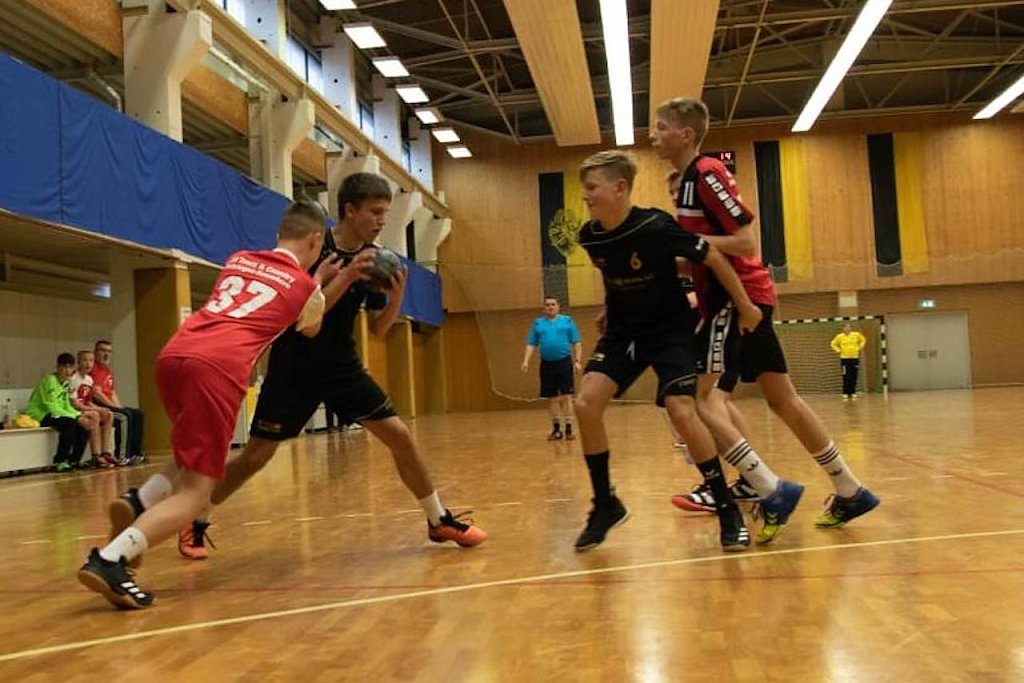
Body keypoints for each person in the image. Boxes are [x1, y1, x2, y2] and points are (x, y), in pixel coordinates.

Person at [166, 172, 485, 561]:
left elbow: (378, 330)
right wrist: (347, 275)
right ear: (349, 210)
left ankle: (438, 520)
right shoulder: (315, 246)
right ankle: (196, 518)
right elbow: (303, 316)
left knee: (399, 435)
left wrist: (397, 297)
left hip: (340, 366)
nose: (381, 221)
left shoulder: (374, 259)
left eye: (385, 213)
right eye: (375, 212)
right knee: (256, 456)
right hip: (294, 365)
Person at [76, 200, 342, 609]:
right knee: (196, 494)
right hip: (217, 369)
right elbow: (310, 328)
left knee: (191, 455)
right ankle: (110, 559)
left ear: (279, 235)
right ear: (314, 240)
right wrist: (319, 283)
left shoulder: (238, 259)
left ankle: (139, 501)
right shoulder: (305, 285)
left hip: (174, 355)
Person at [651, 97, 879, 532]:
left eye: (660, 127)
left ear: (686, 134)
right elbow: (699, 253)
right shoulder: (686, 185)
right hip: (738, 298)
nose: (653, 135)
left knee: (697, 400)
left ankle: (766, 486)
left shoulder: (707, 172)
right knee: (782, 400)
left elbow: (743, 243)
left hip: (736, 299)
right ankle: (850, 488)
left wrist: (685, 249)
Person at [571, 149, 764, 553]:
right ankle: (605, 504)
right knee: (586, 404)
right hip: (624, 334)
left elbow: (713, 256)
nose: (585, 195)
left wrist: (745, 305)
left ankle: (726, 507)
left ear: (619, 188)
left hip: (670, 332)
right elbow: (614, 273)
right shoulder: (590, 236)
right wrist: (608, 306)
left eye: (591, 187)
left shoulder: (656, 225)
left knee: (681, 411)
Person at [24, 353, 100, 471]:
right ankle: (59, 461)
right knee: (70, 423)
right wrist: (76, 417)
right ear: (58, 367)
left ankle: (74, 460)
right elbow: (52, 406)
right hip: (40, 414)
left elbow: (66, 406)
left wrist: (79, 415)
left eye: (70, 367)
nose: (67, 371)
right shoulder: (50, 381)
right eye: (64, 367)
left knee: (85, 424)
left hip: (57, 414)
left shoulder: (66, 383)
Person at [521, 296, 582, 440]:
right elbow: (531, 344)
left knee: (567, 396)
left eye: (553, 304)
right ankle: (556, 430)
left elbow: (576, 342)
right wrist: (526, 361)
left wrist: (577, 361)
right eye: (547, 305)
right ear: (544, 308)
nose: (550, 307)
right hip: (547, 364)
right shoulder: (538, 323)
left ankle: (569, 429)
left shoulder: (567, 321)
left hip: (564, 363)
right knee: (552, 398)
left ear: (558, 306)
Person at [91, 339, 145, 465]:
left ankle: (136, 453)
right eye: (103, 350)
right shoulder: (93, 369)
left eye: (109, 351)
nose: (106, 354)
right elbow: (97, 393)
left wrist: (119, 406)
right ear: (95, 352)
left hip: (109, 403)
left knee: (138, 414)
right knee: (124, 416)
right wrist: (114, 407)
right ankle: (122, 455)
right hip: (99, 405)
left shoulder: (106, 370)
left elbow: (112, 392)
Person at [68, 350, 118, 468]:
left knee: (108, 414)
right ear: (79, 362)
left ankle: (106, 452)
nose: (88, 363)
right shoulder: (73, 379)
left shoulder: (89, 380)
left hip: (85, 407)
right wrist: (95, 410)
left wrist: (100, 408)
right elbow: (74, 404)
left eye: (91, 361)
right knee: (95, 415)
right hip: (74, 410)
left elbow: (89, 401)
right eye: (84, 360)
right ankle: (96, 455)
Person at [831, 323, 867, 399]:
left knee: (854, 375)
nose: (847, 329)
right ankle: (845, 392)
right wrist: (838, 350)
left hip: (854, 358)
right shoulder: (839, 337)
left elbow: (863, 340)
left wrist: (859, 347)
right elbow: (833, 344)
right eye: (845, 327)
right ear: (843, 329)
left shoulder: (856, 335)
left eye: (848, 327)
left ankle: (853, 392)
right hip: (844, 359)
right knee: (846, 376)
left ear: (850, 328)